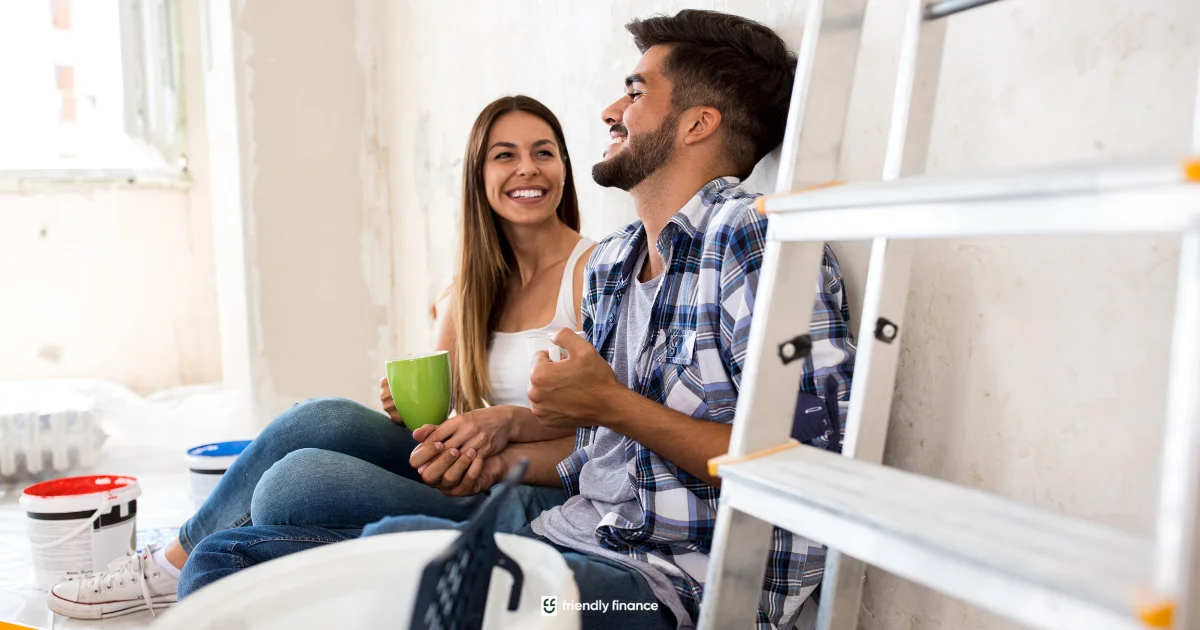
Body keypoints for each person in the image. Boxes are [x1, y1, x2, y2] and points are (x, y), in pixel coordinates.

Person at [185, 9, 856, 630]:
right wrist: (498, 446)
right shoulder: (619, 264)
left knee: (412, 560)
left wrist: (612, 406)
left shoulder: (752, 241)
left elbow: (804, 468)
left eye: (635, 91)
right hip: (569, 534)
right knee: (228, 560)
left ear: (696, 123)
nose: (610, 109)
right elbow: (596, 460)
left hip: (664, 588)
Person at [46, 94, 594, 620]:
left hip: (540, 492)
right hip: (471, 470)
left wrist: (501, 436)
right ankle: (172, 563)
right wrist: (413, 412)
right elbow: (439, 422)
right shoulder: (471, 289)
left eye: (543, 152)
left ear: (564, 168)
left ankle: (190, 563)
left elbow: (612, 441)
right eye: (506, 155)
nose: (528, 169)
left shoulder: (594, 274)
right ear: (479, 176)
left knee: (289, 490)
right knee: (320, 418)